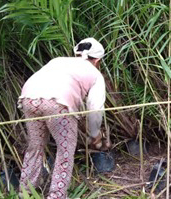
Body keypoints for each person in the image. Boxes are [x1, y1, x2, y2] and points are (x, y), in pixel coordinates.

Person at [17, 38, 109, 199]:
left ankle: (26, 192)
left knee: (35, 146)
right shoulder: (95, 74)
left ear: (77, 53)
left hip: (29, 98)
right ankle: (57, 195)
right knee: (65, 150)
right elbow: (95, 109)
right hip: (57, 104)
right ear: (98, 60)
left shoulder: (58, 60)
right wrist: (95, 135)